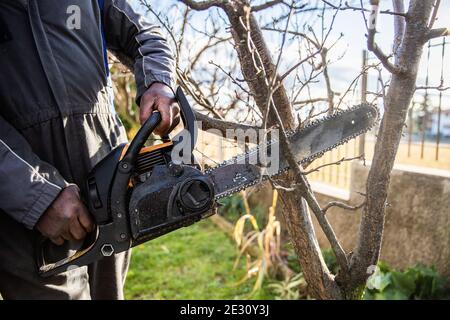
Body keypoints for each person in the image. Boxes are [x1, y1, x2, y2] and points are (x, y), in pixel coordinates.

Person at [0, 0, 179, 299]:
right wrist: (36, 196)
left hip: (108, 180)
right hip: (19, 211)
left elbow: (145, 32)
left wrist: (158, 81)